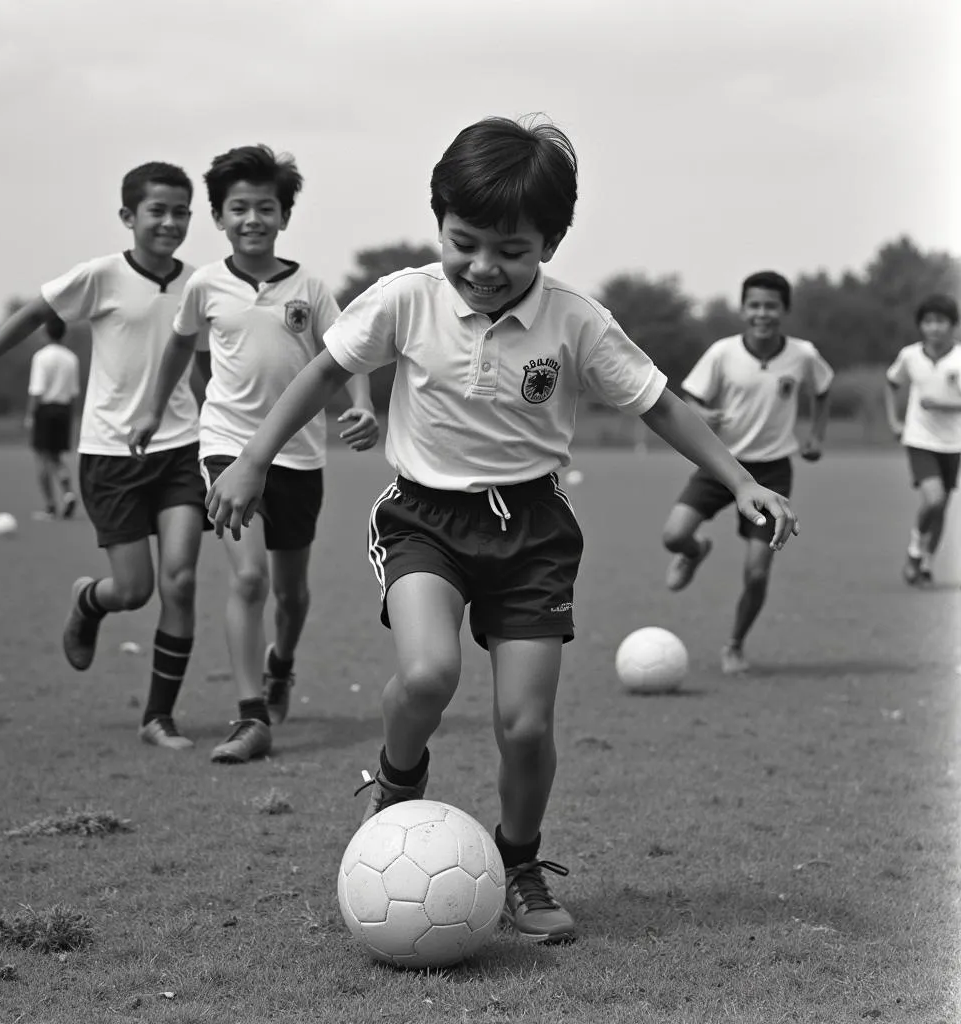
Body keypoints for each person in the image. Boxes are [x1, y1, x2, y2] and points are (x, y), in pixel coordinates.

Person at [204, 117, 799, 944]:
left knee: (524, 728)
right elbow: (325, 370)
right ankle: (398, 794)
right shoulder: (407, 297)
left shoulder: (577, 321)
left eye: (511, 250)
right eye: (465, 242)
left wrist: (739, 481)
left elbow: (659, 402)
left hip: (532, 532)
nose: (484, 268)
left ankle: (519, 863)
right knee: (426, 676)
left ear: (550, 244)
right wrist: (253, 460)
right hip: (424, 519)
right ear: (440, 223)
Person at [0, 162, 207, 751]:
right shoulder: (101, 276)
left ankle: (158, 717)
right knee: (133, 590)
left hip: (182, 448)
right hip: (110, 454)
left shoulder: (200, 283)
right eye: (157, 210)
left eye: (180, 211)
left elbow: (211, 359)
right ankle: (90, 601)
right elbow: (35, 313)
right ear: (128, 217)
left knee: (180, 581)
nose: (169, 221)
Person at [131, 145, 379, 765]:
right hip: (226, 451)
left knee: (290, 596)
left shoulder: (312, 289)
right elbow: (176, 351)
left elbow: (348, 356)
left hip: (299, 459)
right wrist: (152, 408)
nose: (252, 219)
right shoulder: (204, 285)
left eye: (264, 207)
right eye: (238, 208)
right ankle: (251, 718)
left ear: (283, 215)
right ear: (219, 216)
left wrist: (364, 405)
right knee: (248, 576)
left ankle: (281, 666)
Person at [660, 271, 832, 675]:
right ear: (742, 309)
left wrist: (815, 436)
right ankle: (695, 552)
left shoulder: (803, 355)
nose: (762, 313)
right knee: (673, 536)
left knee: (757, 572)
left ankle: (734, 645)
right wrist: (704, 414)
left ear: (784, 310)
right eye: (754, 305)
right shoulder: (723, 353)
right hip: (722, 464)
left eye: (771, 305)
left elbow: (823, 390)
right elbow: (690, 400)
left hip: (772, 473)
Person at [885, 293, 961, 585]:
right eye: (928, 322)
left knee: (942, 506)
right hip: (919, 439)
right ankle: (915, 550)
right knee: (934, 498)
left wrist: (944, 406)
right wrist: (894, 421)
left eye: (941, 321)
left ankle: (927, 562)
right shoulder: (910, 356)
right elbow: (891, 384)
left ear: (952, 325)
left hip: (953, 442)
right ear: (921, 326)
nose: (935, 328)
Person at [25, 313, 81, 519]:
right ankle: (67, 493)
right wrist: (72, 417)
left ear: (46, 332)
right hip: (64, 410)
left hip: (45, 410)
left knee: (41, 457)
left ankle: (50, 506)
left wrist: (30, 415)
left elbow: (37, 390)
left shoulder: (41, 357)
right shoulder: (71, 358)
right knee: (57, 457)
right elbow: (74, 393)